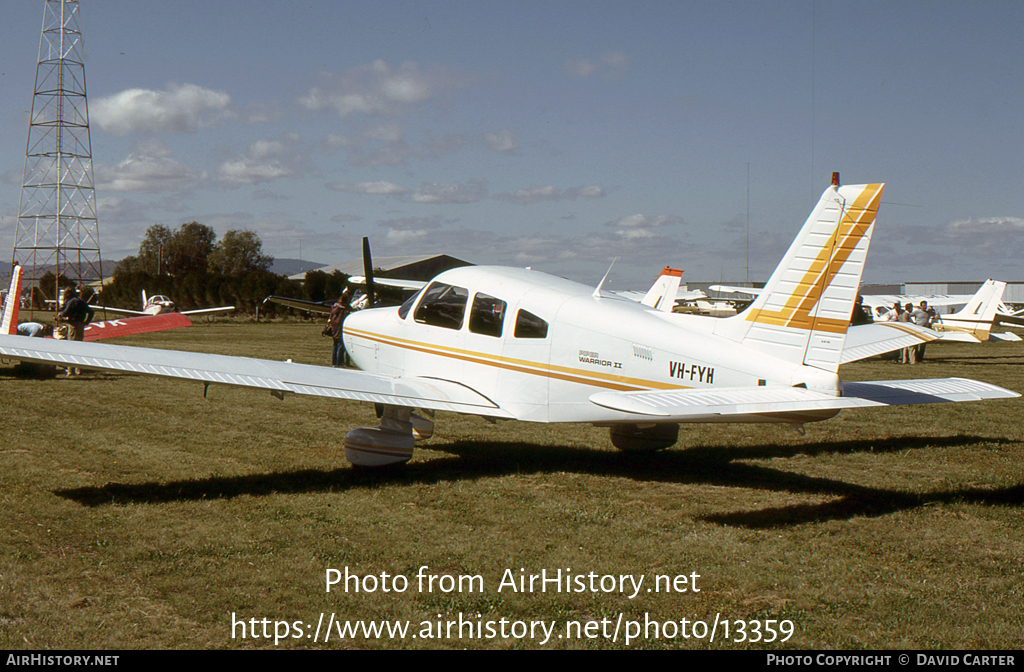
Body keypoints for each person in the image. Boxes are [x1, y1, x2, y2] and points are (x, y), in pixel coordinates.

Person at [56, 287, 94, 376]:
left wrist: (60, 314)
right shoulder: (81, 301)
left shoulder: (72, 301)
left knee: (72, 347)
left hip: (73, 325)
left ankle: (70, 370)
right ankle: (79, 368)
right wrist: (87, 322)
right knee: (79, 346)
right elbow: (91, 312)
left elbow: (65, 313)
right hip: (81, 324)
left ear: (68, 294)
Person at [322, 288, 353, 367]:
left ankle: (334, 362)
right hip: (341, 327)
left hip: (334, 327)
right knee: (341, 346)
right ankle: (339, 362)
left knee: (335, 345)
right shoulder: (344, 309)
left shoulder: (335, 306)